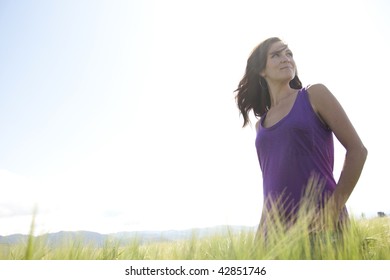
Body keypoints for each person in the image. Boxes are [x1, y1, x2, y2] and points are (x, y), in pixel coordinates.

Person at [235, 37, 367, 237]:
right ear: (261, 70)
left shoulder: (314, 95)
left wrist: (332, 211)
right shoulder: (260, 127)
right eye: (276, 55)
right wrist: (260, 234)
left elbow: (358, 151)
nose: (286, 59)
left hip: (322, 229)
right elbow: (270, 185)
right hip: (277, 236)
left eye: (289, 53)